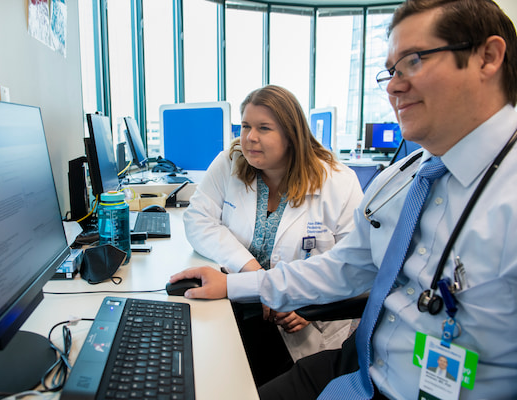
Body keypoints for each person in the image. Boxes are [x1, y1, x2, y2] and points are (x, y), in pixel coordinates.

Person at [170, 0, 517, 399]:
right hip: (358, 365)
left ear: (487, 58)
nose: (393, 86)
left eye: (415, 61)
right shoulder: (402, 178)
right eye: (391, 71)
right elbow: (342, 267)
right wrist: (235, 286)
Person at [183, 85, 363, 385]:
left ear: (292, 135)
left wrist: (312, 307)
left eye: (264, 128)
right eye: (245, 126)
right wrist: (250, 268)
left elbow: (356, 266)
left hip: (305, 325)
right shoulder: (232, 161)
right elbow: (197, 219)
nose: (250, 137)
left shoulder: (339, 182)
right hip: (242, 305)